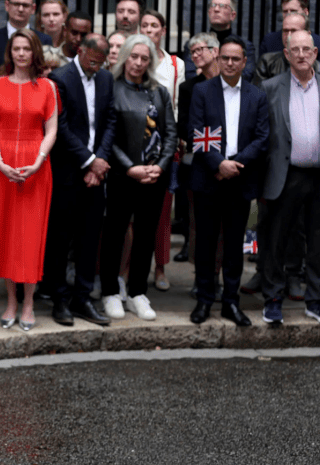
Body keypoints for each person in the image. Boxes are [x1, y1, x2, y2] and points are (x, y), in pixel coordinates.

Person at [258, 29, 320, 327]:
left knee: (317, 241)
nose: (301, 55)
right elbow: (260, 132)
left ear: (314, 53)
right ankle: (273, 299)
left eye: (306, 50)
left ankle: (315, 299)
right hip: (284, 175)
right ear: (287, 54)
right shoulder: (270, 87)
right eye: (295, 50)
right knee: (276, 239)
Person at [0, 29, 57, 331]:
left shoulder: (48, 87)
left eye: (26, 48)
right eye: (16, 48)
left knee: (30, 236)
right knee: (6, 234)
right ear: (9, 52)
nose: (21, 54)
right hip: (1, 165)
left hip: (36, 166)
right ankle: (11, 301)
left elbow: (51, 129)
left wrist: (39, 160)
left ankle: (29, 303)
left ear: (35, 52)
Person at [188, 36, 269, 327]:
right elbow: (196, 131)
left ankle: (231, 302)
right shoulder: (202, 91)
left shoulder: (256, 95)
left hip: (240, 179)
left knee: (234, 245)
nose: (230, 63)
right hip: (208, 178)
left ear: (244, 62)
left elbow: (262, 137)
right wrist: (218, 163)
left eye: (236, 59)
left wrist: (235, 164)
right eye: (225, 58)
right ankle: (204, 299)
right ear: (218, 59)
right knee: (206, 243)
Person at [99, 34, 177, 322]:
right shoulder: (112, 88)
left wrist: (161, 166)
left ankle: (137, 293)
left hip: (154, 176)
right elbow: (108, 136)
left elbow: (170, 133)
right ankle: (110, 291)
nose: (139, 63)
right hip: (123, 175)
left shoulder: (160, 92)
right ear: (125, 57)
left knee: (146, 235)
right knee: (114, 233)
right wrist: (129, 167)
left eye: (145, 58)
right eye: (134, 56)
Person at [46, 33, 115, 327]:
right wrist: (89, 161)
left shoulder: (106, 79)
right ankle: (59, 298)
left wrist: (99, 162)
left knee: (90, 237)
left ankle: (83, 297)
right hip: (67, 172)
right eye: (92, 61)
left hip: (96, 174)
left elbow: (110, 121)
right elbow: (60, 127)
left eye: (101, 63)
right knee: (60, 238)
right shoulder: (60, 78)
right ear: (81, 51)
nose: (95, 67)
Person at [140, 8, 184, 292]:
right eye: (144, 25)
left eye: (154, 25)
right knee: (134, 213)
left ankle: (160, 267)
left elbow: (177, 107)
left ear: (163, 31)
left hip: (164, 145)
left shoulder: (175, 65)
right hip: (136, 143)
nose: (148, 30)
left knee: (163, 212)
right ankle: (129, 267)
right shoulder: (132, 59)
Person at [175, 32, 221, 265]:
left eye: (200, 50)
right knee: (197, 219)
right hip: (200, 160)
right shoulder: (188, 87)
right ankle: (198, 269)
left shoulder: (232, 83)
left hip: (231, 160)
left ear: (215, 51)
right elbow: (185, 127)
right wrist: (213, 152)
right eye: (192, 52)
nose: (195, 55)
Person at [183, 0, 255, 82]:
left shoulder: (245, 46)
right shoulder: (193, 45)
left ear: (232, 15)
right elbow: (190, 76)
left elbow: (246, 77)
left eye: (222, 6)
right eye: (213, 5)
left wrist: (208, 73)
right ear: (209, 13)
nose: (216, 9)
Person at [254, 11, 320, 86]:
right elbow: (259, 92)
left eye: (294, 31)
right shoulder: (268, 63)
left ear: (307, 34)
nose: (288, 36)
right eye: (285, 31)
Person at [257, 0, 320, 66]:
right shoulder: (269, 41)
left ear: (306, 12)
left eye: (293, 11)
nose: (288, 15)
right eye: (285, 11)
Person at [0, 0, 52, 75]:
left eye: (25, 5)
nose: (20, 9)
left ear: (33, 8)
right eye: (16, 4)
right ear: (7, 5)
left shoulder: (45, 40)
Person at [37, 0, 69, 69]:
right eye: (46, 15)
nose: (51, 19)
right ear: (40, 18)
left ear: (64, 17)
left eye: (56, 14)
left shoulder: (70, 44)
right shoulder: (34, 42)